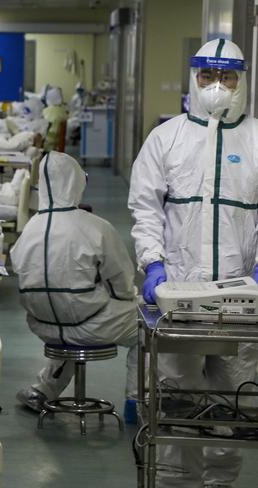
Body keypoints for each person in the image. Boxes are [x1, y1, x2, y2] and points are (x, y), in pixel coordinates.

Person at [128, 38, 258, 487]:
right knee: (178, 405)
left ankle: (220, 483)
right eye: (208, 76)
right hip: (178, 294)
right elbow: (145, 208)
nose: (216, 86)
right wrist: (153, 264)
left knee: (235, 405)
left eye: (226, 76)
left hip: (242, 298)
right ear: (194, 77)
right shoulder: (167, 138)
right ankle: (175, 483)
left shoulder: (257, 137)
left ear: (241, 80)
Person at [11, 151, 138, 412]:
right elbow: (122, 285)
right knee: (149, 327)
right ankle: (138, 402)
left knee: (67, 308)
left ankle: (43, 390)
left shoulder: (28, 230)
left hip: (42, 325)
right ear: (76, 182)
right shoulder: (96, 227)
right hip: (86, 324)